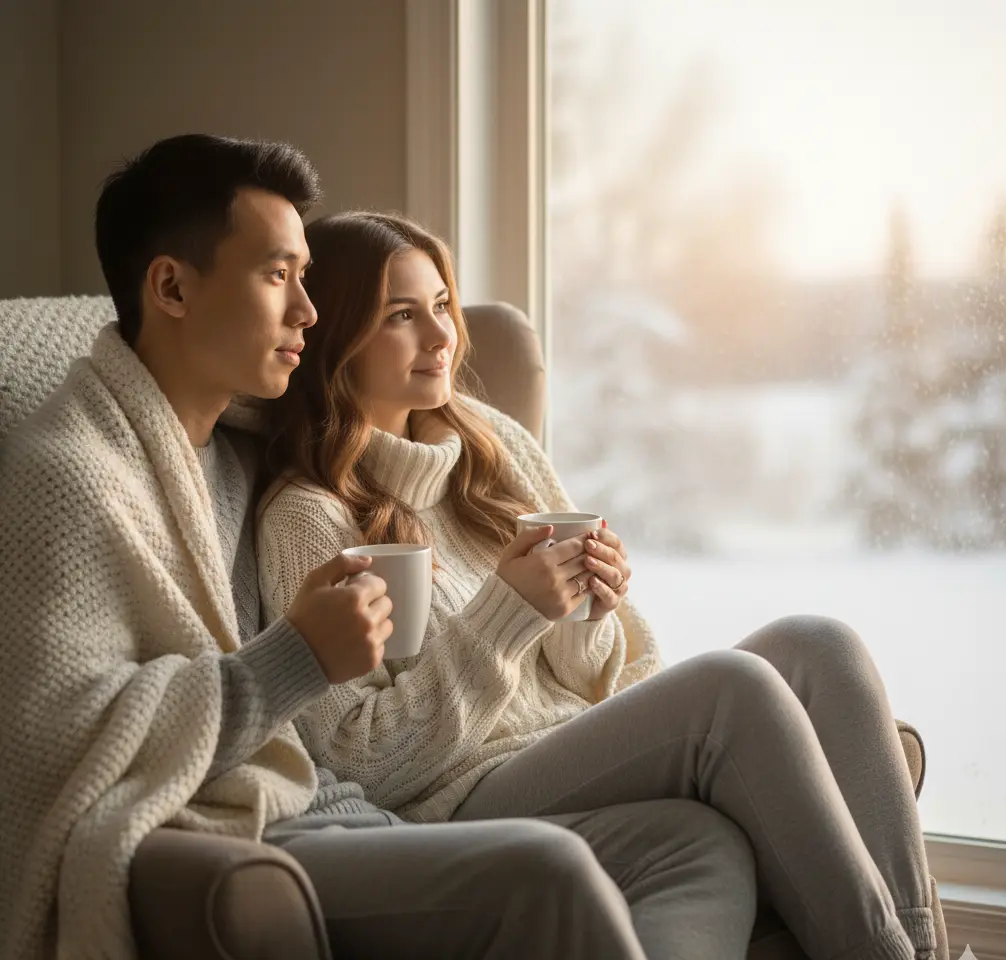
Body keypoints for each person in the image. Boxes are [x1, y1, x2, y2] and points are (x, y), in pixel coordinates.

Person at [0, 135, 751, 960]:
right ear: (172, 286)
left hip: (346, 798)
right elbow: (51, 745)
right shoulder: (68, 476)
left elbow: (361, 406)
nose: (309, 314)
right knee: (554, 859)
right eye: (278, 276)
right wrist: (293, 659)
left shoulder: (229, 441)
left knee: (695, 842)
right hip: (293, 810)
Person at [257, 210, 941, 960]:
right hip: (454, 800)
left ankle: (921, 950)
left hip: (570, 751)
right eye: (401, 316)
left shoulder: (491, 445)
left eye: (443, 305)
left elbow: (592, 678)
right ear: (338, 339)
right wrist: (507, 613)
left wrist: (591, 609)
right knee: (729, 689)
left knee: (821, 645)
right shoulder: (307, 520)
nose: (440, 334)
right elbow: (362, 762)